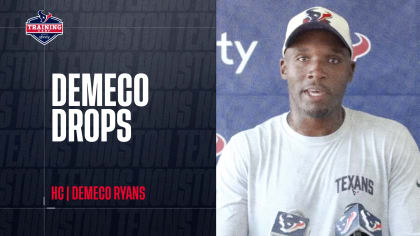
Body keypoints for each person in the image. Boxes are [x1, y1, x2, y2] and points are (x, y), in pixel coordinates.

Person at [216, 6, 420, 235]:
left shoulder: (391, 142)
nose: (316, 70)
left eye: (332, 60)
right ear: (284, 67)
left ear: (350, 71)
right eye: (303, 58)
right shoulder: (246, 150)